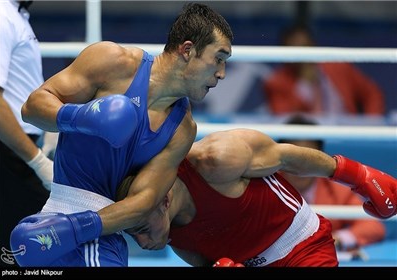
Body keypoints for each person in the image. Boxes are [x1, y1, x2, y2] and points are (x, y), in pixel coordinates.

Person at [11, 3, 233, 267]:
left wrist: (76, 228)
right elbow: (31, 107)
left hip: (97, 234)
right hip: (53, 217)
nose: (221, 73)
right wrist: (84, 117)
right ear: (187, 50)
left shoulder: (182, 129)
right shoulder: (113, 62)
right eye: (218, 58)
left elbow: (143, 202)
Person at [124, 128, 396, 267]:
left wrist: (356, 173)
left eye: (143, 230)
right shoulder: (159, 223)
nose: (142, 241)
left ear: (165, 202)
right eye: (133, 234)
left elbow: (287, 157)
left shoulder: (215, 159)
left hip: (300, 247)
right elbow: (204, 259)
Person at [278, 114, 386, 252]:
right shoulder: (266, 186)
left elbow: (373, 226)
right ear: (280, 158)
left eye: (307, 158)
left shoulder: (337, 188)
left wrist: (337, 241)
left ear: (320, 158)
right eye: (294, 158)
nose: (301, 166)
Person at [0, 0, 53, 267]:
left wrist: (49, 128)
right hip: (8, 152)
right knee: (22, 256)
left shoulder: (17, 16)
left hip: (16, 149)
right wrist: (38, 162)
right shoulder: (1, 14)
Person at [262, 23, 385, 116]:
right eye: (295, 49)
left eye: (305, 46)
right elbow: (284, 117)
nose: (302, 54)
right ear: (285, 53)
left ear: (314, 45)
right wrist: (304, 85)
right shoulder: (276, 82)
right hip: (307, 140)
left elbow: (372, 93)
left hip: (347, 131)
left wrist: (371, 121)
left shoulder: (338, 67)